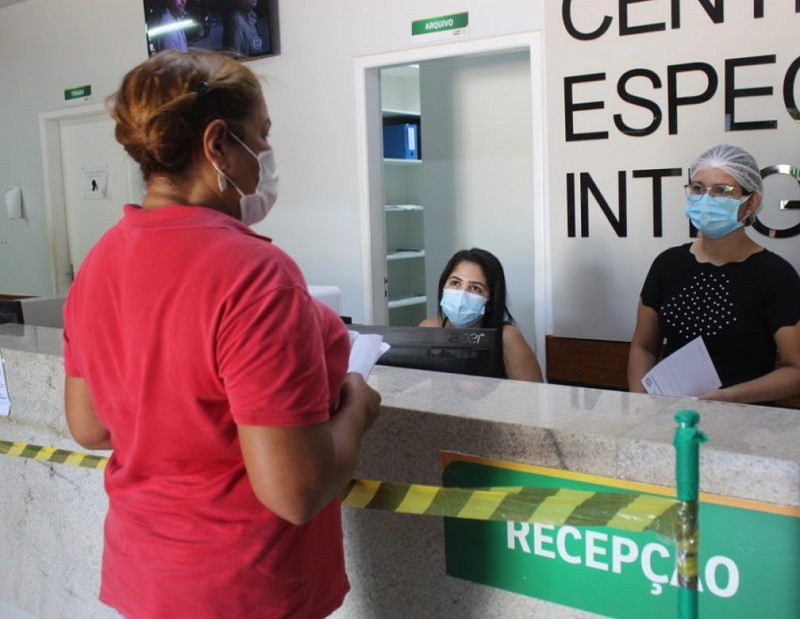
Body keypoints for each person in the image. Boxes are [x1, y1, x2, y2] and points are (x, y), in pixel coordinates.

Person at [62, 49, 381, 618]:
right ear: (217, 145)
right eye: (262, 135)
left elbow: (90, 426)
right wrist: (356, 407)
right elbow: (295, 492)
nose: (267, 154)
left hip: (147, 578)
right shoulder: (254, 275)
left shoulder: (98, 263)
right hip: (243, 588)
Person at [628, 143, 800, 404]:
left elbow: (796, 369)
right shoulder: (667, 264)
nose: (706, 199)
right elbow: (643, 347)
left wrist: (727, 397)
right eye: (698, 188)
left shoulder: (775, 275)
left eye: (722, 190)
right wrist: (641, 404)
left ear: (751, 202)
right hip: (673, 416)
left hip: (746, 420)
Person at [419, 247, 544, 382]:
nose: (461, 295)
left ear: (490, 301)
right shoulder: (428, 329)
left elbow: (534, 394)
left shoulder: (506, 338)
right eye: (455, 283)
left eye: (475, 288)